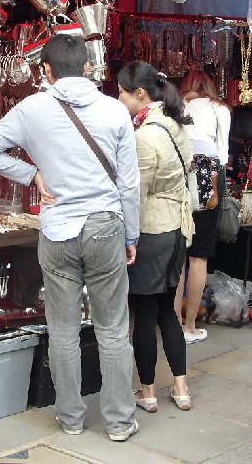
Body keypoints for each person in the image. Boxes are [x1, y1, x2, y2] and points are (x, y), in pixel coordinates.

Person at [0, 34, 140, 442]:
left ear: (45, 70)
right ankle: (119, 422)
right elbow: (130, 185)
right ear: (87, 67)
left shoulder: (31, 108)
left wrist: (32, 175)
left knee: (62, 329)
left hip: (58, 229)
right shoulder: (115, 111)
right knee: (113, 329)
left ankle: (70, 417)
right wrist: (131, 235)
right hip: (104, 225)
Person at [117, 61, 195, 414]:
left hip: (153, 230)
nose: (118, 97)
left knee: (145, 313)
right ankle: (181, 388)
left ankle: (147, 392)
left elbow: (136, 192)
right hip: (178, 228)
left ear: (139, 94)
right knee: (167, 309)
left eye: (121, 91)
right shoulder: (176, 123)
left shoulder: (145, 135)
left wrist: (126, 235)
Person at [174, 71, 231, 344]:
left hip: (178, 170)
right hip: (208, 170)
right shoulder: (218, 108)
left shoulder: (175, 105)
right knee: (199, 254)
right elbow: (222, 151)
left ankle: (172, 323)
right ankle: (190, 326)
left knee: (178, 251)